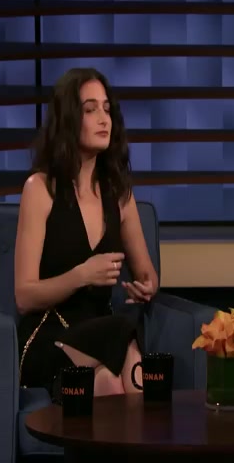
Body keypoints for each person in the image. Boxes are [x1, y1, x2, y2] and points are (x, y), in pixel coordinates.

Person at [15, 67, 159, 399]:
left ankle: (137, 428)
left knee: (109, 382)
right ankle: (151, 424)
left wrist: (147, 286)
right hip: (50, 334)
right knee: (123, 334)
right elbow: (24, 296)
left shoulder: (119, 194)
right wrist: (82, 275)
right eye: (90, 109)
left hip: (102, 334)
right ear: (68, 119)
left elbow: (147, 274)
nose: (104, 119)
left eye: (107, 109)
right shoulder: (41, 189)